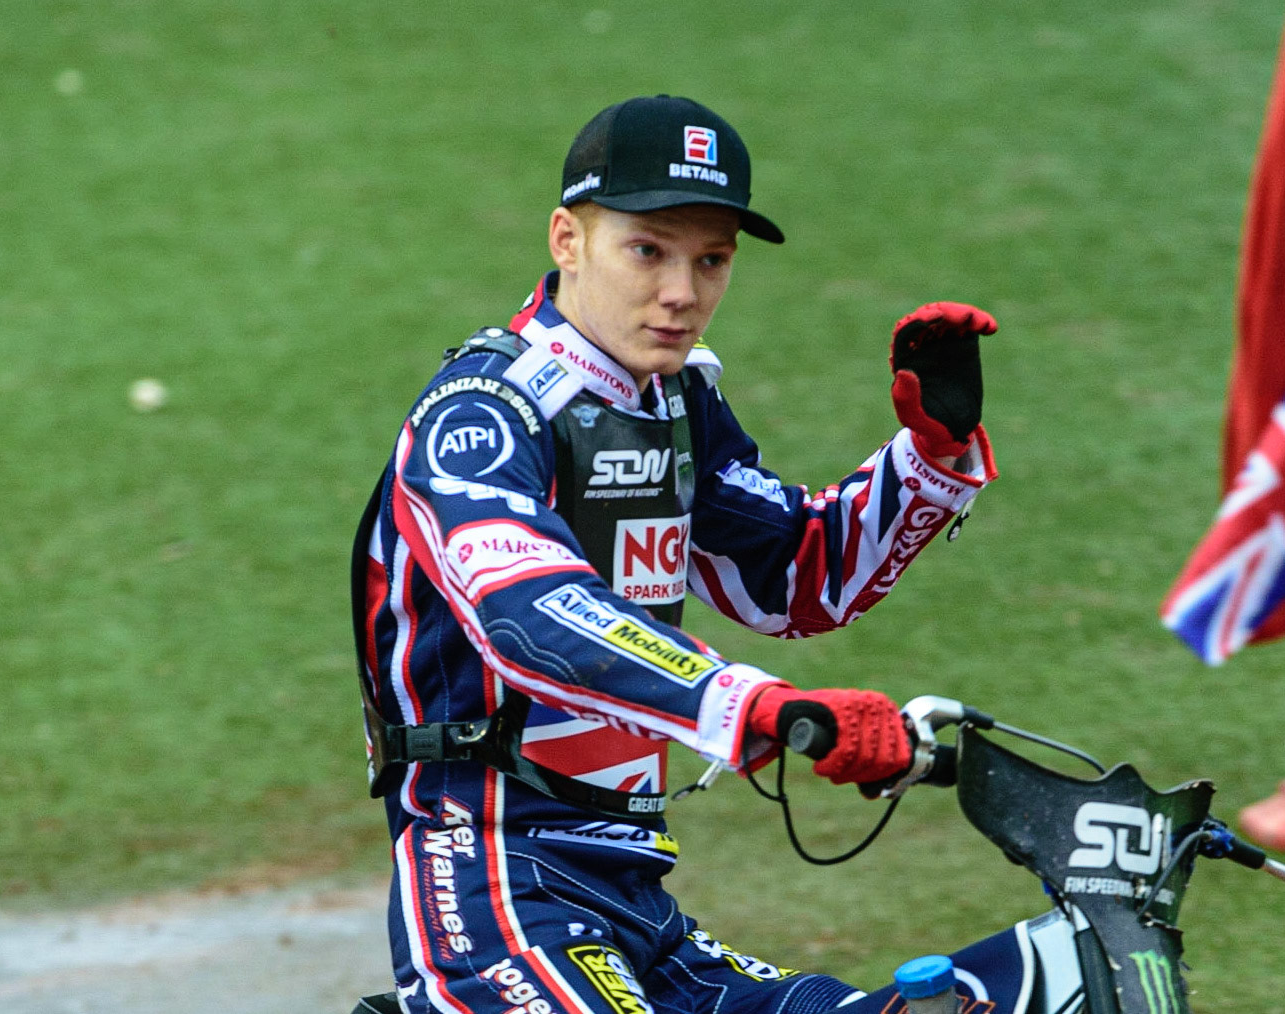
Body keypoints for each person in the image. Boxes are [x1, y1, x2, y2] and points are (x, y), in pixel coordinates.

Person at [351, 94, 999, 1014]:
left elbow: (797, 579)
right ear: (568, 239)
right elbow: (529, 618)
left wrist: (930, 460)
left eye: (712, 260)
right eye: (648, 250)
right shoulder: (481, 416)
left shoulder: (673, 405)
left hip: (633, 897)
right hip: (493, 879)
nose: (683, 293)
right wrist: (756, 707)